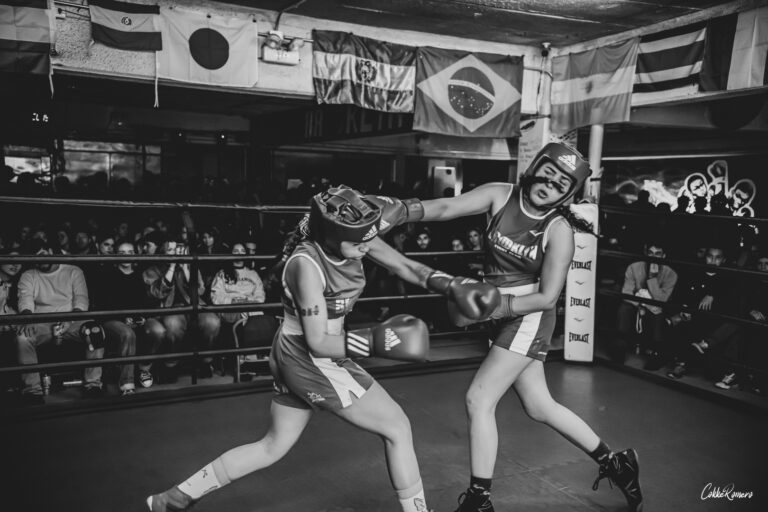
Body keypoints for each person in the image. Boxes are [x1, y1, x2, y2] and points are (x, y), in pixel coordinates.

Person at [146, 186, 500, 512]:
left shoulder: (360, 230)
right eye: (359, 243)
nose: (367, 247)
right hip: (310, 356)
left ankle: (174, 498)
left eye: (369, 239)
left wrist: (451, 284)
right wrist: (380, 340)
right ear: (332, 236)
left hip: (297, 350)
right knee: (397, 426)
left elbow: (406, 263)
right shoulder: (306, 267)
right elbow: (318, 341)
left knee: (273, 445)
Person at [367, 143, 642, 512]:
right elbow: (448, 207)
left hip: (528, 315)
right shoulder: (501, 194)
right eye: (548, 173)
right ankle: (616, 462)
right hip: (499, 310)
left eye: (562, 183)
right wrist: (403, 210)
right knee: (539, 405)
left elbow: (547, 297)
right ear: (535, 168)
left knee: (479, 399)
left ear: (568, 193)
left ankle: (479, 501)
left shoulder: (558, 230)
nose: (550, 184)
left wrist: (495, 307)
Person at [15, 239, 106, 404]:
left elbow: (81, 300)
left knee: (95, 331)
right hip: (42, 322)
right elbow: (25, 300)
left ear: (51, 250)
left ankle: (93, 385)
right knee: (23, 337)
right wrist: (28, 317)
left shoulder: (73, 271)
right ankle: (32, 391)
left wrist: (69, 319)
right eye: (34, 257)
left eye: (42, 254)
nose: (39, 260)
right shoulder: (28, 275)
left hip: (73, 320)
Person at [614, 240, 678, 366]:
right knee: (624, 309)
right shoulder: (634, 267)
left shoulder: (671, 273)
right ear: (645, 253)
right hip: (636, 304)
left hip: (655, 307)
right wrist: (641, 305)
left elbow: (662, 301)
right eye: (650, 253)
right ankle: (619, 347)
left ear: (663, 256)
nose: (653, 257)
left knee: (658, 313)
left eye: (657, 254)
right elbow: (626, 294)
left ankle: (656, 354)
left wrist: (652, 278)